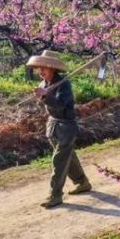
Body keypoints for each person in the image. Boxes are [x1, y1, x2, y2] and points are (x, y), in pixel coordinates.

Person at [26, 50, 92, 208]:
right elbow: (48, 104)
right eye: (39, 68)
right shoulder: (44, 84)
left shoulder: (64, 84)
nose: (41, 71)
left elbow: (61, 104)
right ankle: (82, 182)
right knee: (67, 157)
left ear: (53, 69)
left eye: (44, 68)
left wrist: (46, 96)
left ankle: (55, 195)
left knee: (59, 160)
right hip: (53, 125)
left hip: (66, 126)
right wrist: (42, 95)